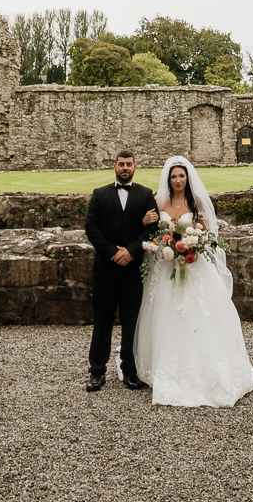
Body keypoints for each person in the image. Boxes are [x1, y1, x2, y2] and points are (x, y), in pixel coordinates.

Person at [133, 155, 253, 407]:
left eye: (181, 176)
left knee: (201, 313)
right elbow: (151, 231)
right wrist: (161, 240)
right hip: (168, 263)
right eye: (174, 176)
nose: (178, 180)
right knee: (167, 315)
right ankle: (167, 367)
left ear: (187, 178)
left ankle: (208, 369)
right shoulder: (159, 202)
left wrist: (195, 246)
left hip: (194, 265)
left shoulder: (197, 201)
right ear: (168, 179)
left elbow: (209, 232)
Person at [83, 148, 157, 391]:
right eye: (121, 164)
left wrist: (132, 251)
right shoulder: (100, 194)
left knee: (131, 322)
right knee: (102, 321)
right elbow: (91, 227)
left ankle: (130, 371)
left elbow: (153, 229)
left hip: (133, 270)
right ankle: (97, 371)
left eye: (129, 164)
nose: (125, 168)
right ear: (114, 166)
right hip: (106, 269)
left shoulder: (146, 195)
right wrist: (113, 252)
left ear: (136, 167)